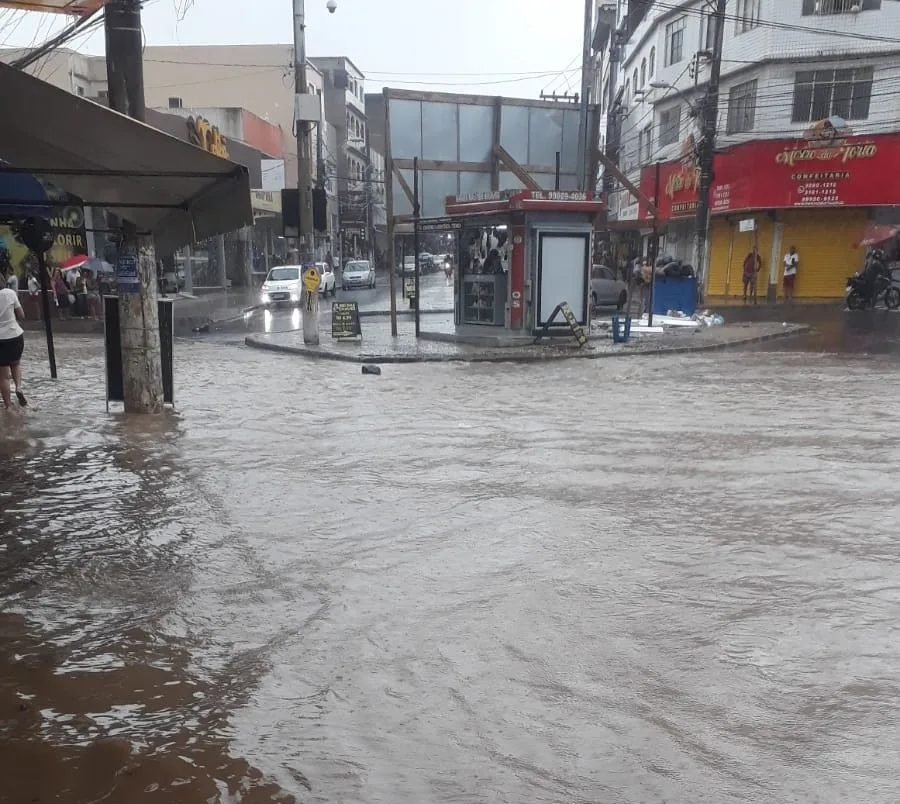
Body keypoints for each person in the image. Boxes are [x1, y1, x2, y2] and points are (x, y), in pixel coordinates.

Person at [0, 283, 26, 409]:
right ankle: (18, 387)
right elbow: (21, 315)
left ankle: (8, 406)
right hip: (15, 334)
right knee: (16, 363)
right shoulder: (10, 293)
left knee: (3, 376)